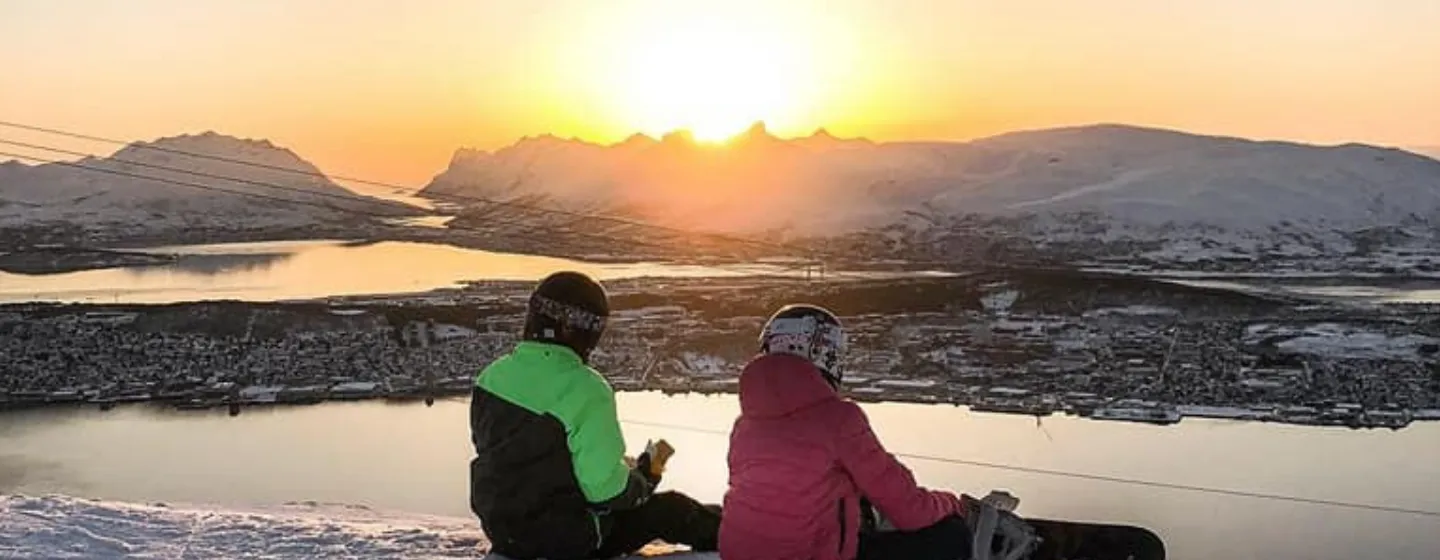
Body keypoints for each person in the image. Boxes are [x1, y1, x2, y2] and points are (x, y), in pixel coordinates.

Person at [722, 303, 1019, 560]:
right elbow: (909, 509)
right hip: (813, 555)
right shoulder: (838, 419)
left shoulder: (745, 426)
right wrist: (952, 504)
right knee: (950, 536)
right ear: (827, 355)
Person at [468, 271, 720, 559]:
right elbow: (605, 492)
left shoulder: (491, 378)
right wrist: (644, 479)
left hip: (506, 531)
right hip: (570, 539)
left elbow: (524, 460)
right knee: (675, 510)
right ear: (583, 330)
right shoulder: (585, 387)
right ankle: (752, 541)